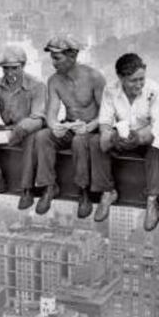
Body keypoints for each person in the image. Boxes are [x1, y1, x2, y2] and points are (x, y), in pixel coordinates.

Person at [34, 35, 105, 218]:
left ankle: (84, 191)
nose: (53, 62)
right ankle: (49, 187)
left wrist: (89, 127)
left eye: (57, 58)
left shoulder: (94, 77)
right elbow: (51, 112)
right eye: (52, 57)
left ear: (72, 57)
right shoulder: (54, 81)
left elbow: (106, 113)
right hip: (70, 126)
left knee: (80, 142)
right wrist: (54, 126)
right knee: (43, 137)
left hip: (91, 129)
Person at [92, 53, 159, 227]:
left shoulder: (154, 90)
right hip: (121, 137)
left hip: (145, 137)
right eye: (133, 80)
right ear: (121, 78)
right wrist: (112, 136)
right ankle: (107, 191)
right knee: (96, 142)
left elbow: (157, 124)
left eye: (142, 79)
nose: (139, 84)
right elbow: (105, 122)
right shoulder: (110, 90)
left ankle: (152, 199)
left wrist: (139, 137)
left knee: (157, 146)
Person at [0, 44, 46, 209]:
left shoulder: (37, 86)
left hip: (29, 129)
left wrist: (22, 129)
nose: (10, 73)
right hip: (8, 129)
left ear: (23, 66)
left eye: (14, 68)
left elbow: (39, 116)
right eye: (6, 69)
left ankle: (27, 189)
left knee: (32, 139)